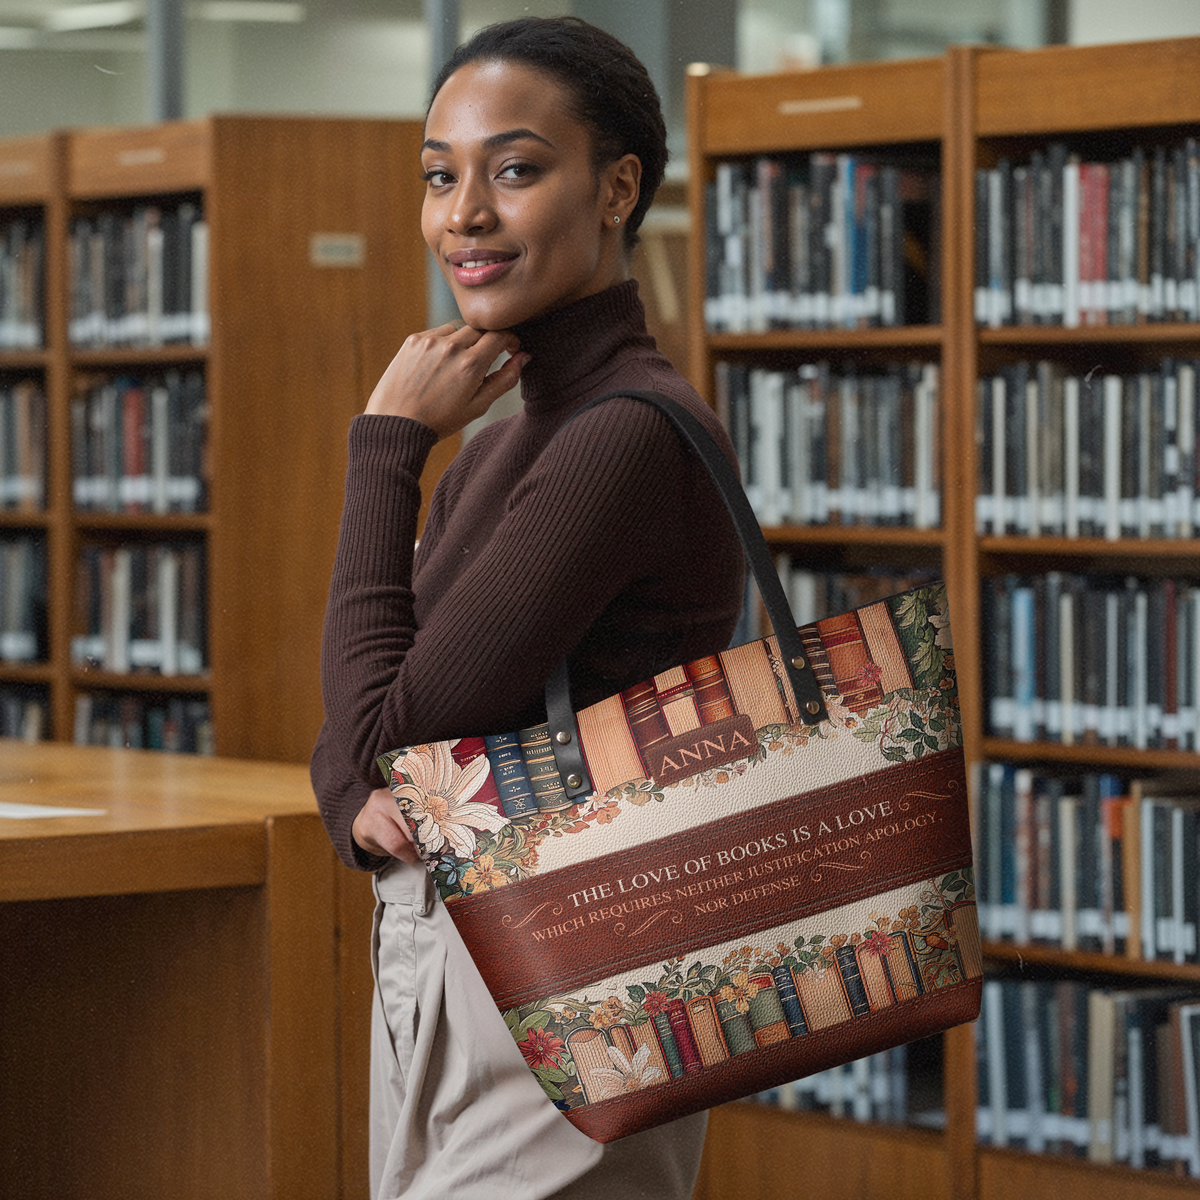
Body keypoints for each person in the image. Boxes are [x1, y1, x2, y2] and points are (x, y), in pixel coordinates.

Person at [311, 16, 745, 1199]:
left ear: (616, 189)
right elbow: (355, 745)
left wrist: (385, 446)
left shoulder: (621, 439)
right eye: (440, 178)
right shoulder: (508, 449)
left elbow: (397, 731)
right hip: (450, 949)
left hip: (575, 955)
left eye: (514, 169)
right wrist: (353, 784)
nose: (465, 215)